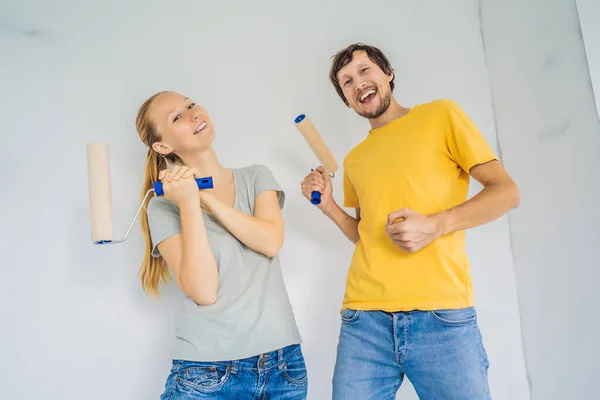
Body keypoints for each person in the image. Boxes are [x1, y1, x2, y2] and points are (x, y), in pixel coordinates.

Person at [301, 43, 520, 399]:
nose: (358, 83)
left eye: (364, 70)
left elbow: (507, 192)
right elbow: (366, 237)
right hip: (364, 320)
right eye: (346, 82)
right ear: (347, 100)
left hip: (441, 316)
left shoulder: (441, 116)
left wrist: (435, 224)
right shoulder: (355, 160)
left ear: (387, 73)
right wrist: (329, 207)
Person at [135, 91, 307, 399]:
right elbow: (204, 291)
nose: (193, 113)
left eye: (191, 104)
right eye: (177, 117)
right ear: (162, 146)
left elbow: (270, 241)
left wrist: (205, 200)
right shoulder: (163, 208)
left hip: (284, 369)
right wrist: (188, 206)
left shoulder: (256, 177)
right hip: (207, 375)